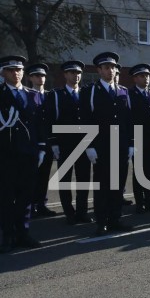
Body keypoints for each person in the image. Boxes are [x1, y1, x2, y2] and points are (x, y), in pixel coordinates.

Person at [79, 52, 133, 236]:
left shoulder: (123, 91)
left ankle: (115, 219)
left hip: (120, 144)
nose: (110, 70)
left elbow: (128, 120)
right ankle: (101, 222)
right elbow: (85, 120)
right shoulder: (90, 91)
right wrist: (89, 145)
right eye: (106, 67)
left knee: (117, 185)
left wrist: (130, 143)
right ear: (99, 70)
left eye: (113, 67)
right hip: (100, 145)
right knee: (102, 185)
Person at [0, 55, 46, 252]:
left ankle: (23, 233)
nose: (16, 73)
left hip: (29, 153)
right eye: (11, 70)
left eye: (18, 70)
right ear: (3, 73)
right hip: (7, 154)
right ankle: (7, 235)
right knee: (6, 196)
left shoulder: (32, 94)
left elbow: (40, 123)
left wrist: (42, 147)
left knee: (26, 197)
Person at [45, 60, 93, 225]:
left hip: (84, 143)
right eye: (72, 72)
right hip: (65, 143)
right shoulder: (56, 95)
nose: (76, 75)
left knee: (84, 179)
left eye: (78, 73)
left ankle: (82, 212)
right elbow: (50, 119)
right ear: (65, 74)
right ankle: (69, 213)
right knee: (65, 180)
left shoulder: (86, 93)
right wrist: (54, 142)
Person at [127, 63, 150, 213]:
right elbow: (127, 119)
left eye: (147, 75)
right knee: (139, 172)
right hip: (137, 138)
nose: (146, 78)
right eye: (142, 76)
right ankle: (139, 203)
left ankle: (149, 201)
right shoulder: (128, 94)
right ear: (135, 78)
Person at [25, 63, 58, 218]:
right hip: (33, 143)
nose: (40, 78)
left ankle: (41, 204)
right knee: (31, 176)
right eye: (37, 75)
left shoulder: (50, 96)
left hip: (48, 142)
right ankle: (29, 206)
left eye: (43, 75)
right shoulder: (27, 95)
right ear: (30, 78)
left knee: (44, 175)